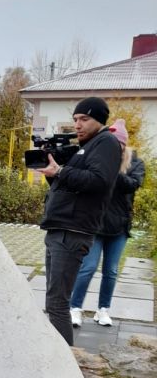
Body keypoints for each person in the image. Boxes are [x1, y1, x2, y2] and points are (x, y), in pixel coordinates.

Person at [37, 97, 121, 345]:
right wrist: (53, 173)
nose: (78, 124)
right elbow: (70, 186)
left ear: (100, 120)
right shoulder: (89, 145)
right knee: (54, 302)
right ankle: (59, 360)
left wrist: (62, 171)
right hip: (60, 228)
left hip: (72, 232)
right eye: (75, 119)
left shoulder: (106, 142)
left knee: (57, 303)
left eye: (84, 119)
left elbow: (99, 181)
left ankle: (65, 364)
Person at [70, 118, 145, 328]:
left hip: (119, 227)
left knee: (111, 271)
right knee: (88, 268)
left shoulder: (135, 163)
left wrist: (115, 170)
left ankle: (103, 310)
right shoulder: (98, 159)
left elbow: (132, 184)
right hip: (95, 223)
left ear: (124, 144)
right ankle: (75, 308)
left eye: (119, 144)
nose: (115, 148)